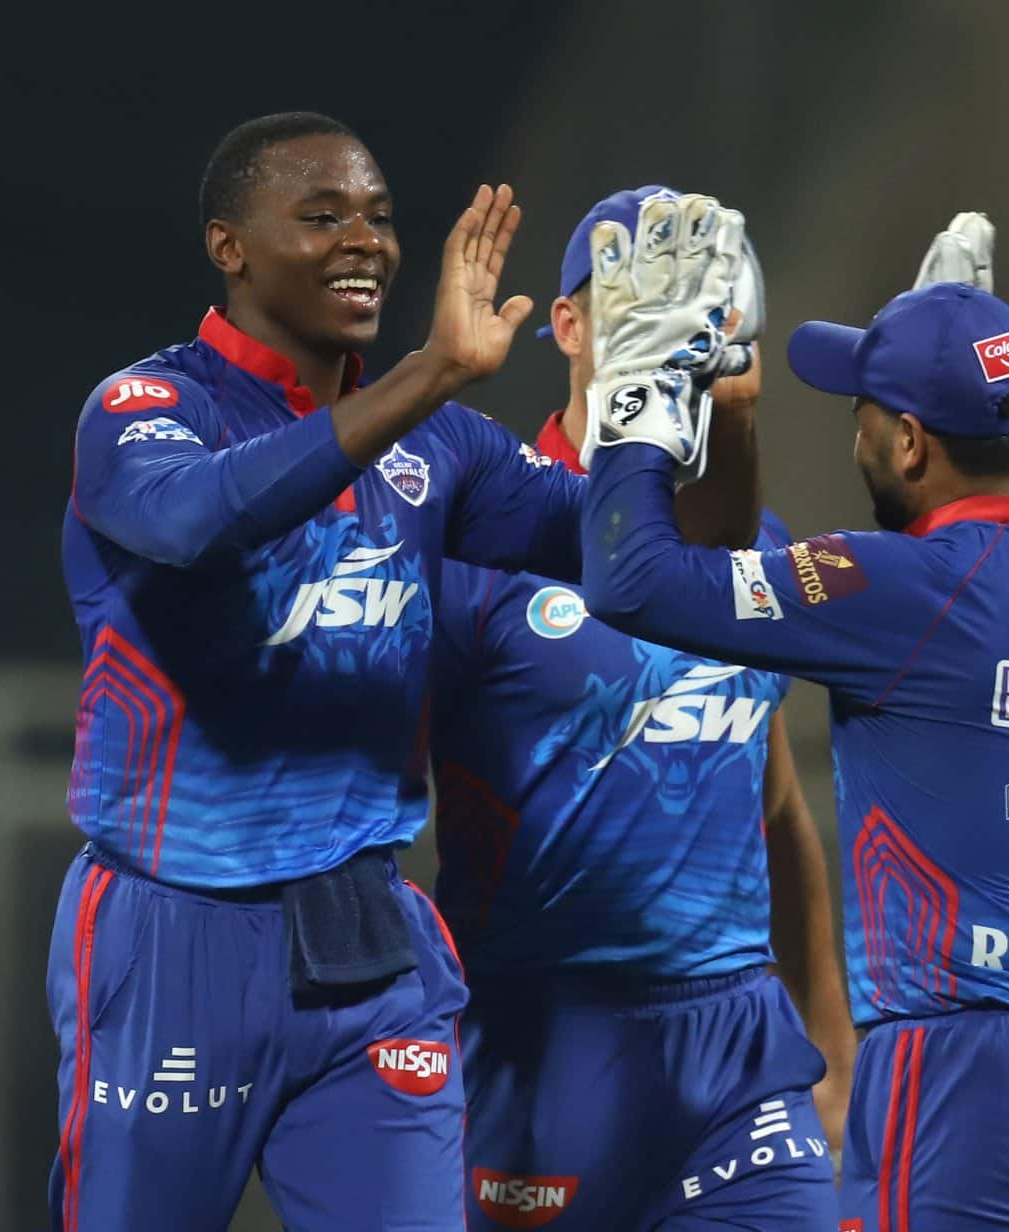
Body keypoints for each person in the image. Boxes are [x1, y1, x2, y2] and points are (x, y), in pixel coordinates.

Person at [51, 113, 745, 1231]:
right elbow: (196, 519)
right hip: (175, 930)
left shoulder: (444, 448)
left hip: (368, 936)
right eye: (319, 216)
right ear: (229, 247)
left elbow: (652, 553)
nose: (361, 241)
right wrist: (428, 374)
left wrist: (670, 397)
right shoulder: (146, 409)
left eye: (375, 217)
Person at [575, 214, 1009, 1231]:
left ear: (906, 440)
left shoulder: (892, 585)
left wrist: (637, 399)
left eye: (863, 412)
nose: (855, 434)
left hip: (962, 1071)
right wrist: (961, 349)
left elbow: (630, 581)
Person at [429, 187, 853, 1231]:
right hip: (543, 1047)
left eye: (703, 289)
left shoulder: (760, 547)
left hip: (738, 1051)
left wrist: (834, 1045)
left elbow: (776, 805)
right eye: (639, 288)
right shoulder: (480, 544)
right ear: (566, 324)